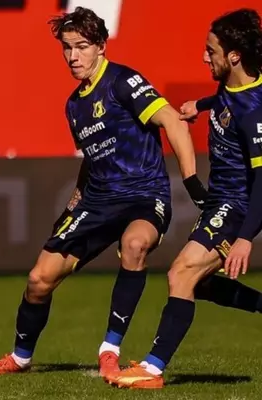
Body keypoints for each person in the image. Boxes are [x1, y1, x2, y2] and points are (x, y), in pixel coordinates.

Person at [0, 7, 209, 381]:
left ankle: (109, 350)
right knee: (39, 280)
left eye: (81, 46)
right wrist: (76, 198)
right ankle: (20, 357)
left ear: (101, 45)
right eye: (67, 48)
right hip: (98, 201)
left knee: (135, 245)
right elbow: (94, 157)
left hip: (144, 194)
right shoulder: (74, 105)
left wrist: (192, 182)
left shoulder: (123, 81)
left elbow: (173, 123)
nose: (73, 56)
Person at [112, 8, 262, 389]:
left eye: (211, 51)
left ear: (234, 56)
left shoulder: (255, 112)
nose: (203, 57)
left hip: (236, 207)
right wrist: (202, 105)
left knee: (181, 273)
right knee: (201, 284)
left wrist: (244, 238)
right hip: (219, 201)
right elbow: (228, 101)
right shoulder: (232, 87)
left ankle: (152, 370)